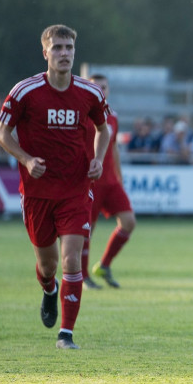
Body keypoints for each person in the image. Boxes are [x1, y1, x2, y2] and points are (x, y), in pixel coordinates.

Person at [0, 24, 111, 349]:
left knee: (72, 260)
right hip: (36, 193)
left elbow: (105, 130)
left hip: (75, 188)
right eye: (57, 48)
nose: (64, 53)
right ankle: (49, 288)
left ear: (75, 52)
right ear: (45, 53)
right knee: (48, 266)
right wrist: (27, 159)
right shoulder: (24, 91)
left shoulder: (90, 93)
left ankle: (66, 334)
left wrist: (98, 158)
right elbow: (1, 134)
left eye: (69, 48)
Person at [82, 74, 137, 290]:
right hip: (90, 181)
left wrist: (119, 177)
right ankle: (83, 276)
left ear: (108, 90)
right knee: (87, 230)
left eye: (103, 87)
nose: (100, 91)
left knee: (129, 222)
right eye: (96, 87)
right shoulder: (81, 114)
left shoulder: (112, 117)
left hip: (110, 181)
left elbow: (113, 147)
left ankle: (104, 265)